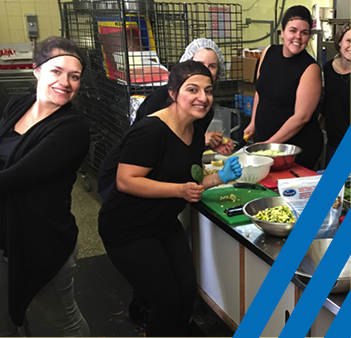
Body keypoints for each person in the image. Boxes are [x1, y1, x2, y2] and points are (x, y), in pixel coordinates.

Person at [98, 60, 242, 337]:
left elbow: (190, 179)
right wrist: (178, 191)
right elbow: (125, 181)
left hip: (162, 223)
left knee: (186, 294)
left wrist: (220, 178)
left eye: (208, 90)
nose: (203, 97)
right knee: (165, 301)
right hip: (127, 228)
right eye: (193, 89)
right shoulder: (151, 131)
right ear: (173, 93)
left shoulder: (195, 130)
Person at [0, 36, 90, 336]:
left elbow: (17, 176)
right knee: (20, 312)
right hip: (12, 233)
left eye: (74, 76)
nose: (65, 82)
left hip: (43, 241)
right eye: (56, 71)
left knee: (61, 322)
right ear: (37, 70)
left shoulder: (72, 128)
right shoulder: (18, 105)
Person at [98, 38, 234, 200]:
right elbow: (147, 155)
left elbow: (183, 153)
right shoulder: (157, 108)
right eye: (198, 64)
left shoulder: (204, 110)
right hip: (126, 183)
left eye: (212, 66)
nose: (203, 71)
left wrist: (204, 145)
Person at [244, 5, 324, 170]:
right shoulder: (268, 52)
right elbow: (261, 91)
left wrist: (268, 145)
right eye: (293, 30)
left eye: (304, 33)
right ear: (282, 32)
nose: (298, 37)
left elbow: (301, 117)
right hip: (268, 143)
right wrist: (253, 122)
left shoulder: (310, 68)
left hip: (295, 149)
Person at [320, 22, 350, 167]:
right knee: (332, 188)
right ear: (339, 41)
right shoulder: (327, 68)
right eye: (349, 41)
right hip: (334, 141)